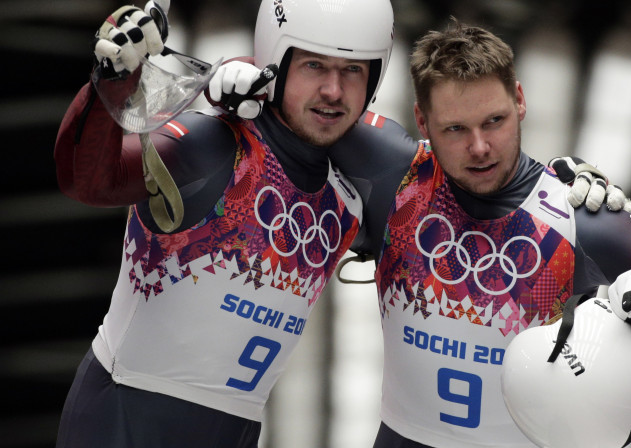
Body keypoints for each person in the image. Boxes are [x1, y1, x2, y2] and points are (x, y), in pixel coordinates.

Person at [215, 20, 631, 447]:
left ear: (520, 101)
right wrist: (233, 75)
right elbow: (296, 100)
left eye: (494, 121)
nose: (479, 147)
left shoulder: (578, 213)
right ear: (424, 125)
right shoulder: (390, 172)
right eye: (456, 129)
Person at [52, 1, 393, 446]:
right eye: (313, 65)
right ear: (279, 59)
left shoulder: (350, 192)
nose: (332, 89)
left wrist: (242, 67)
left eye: (352, 70)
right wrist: (111, 84)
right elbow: (87, 183)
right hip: (127, 416)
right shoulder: (213, 143)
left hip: (237, 430)